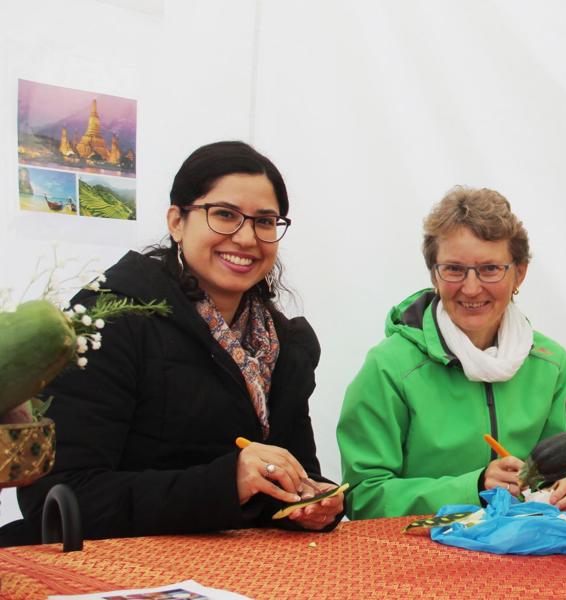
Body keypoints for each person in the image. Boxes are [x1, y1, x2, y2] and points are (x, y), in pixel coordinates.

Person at [1, 141, 343, 545]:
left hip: (241, 570)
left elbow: (293, 474)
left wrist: (310, 501)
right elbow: (59, 498)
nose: (247, 238)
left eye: (265, 221)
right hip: (109, 571)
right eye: (224, 215)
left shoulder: (284, 344)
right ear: (176, 221)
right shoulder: (111, 320)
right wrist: (227, 482)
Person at [338, 186, 566, 519]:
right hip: (419, 562)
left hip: (528, 557)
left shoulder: (551, 363)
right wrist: (474, 488)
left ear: (520, 273)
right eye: (454, 269)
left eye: (490, 269)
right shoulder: (388, 367)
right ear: (434, 274)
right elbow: (362, 497)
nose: (471, 288)